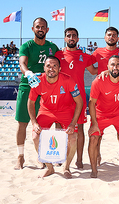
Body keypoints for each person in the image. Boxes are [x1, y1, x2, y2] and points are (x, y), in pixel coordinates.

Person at [15, 17, 59, 170]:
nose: (40, 29)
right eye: (37, 27)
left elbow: (60, 65)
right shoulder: (27, 46)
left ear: (47, 30)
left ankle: (43, 156)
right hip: (28, 86)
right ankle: (20, 156)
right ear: (33, 29)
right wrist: (28, 73)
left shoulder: (53, 47)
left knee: (43, 125)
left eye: (43, 27)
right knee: (22, 123)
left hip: (47, 89)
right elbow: (22, 62)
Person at [28, 56, 83, 178]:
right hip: (46, 111)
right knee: (35, 136)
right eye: (48, 66)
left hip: (65, 111)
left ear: (59, 68)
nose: (51, 69)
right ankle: (50, 168)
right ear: (44, 68)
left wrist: (73, 123)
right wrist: (34, 123)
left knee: (73, 137)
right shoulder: (38, 81)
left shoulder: (68, 80)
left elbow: (79, 102)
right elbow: (30, 103)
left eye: (54, 66)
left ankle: (66, 167)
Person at [88, 55, 119, 178]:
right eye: (112, 65)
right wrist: (94, 123)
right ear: (107, 67)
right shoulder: (99, 81)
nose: (115, 67)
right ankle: (94, 169)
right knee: (93, 138)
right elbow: (91, 103)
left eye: (118, 65)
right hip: (101, 114)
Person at [55, 27, 97, 169]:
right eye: (68, 36)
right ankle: (59, 156)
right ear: (65, 39)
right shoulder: (58, 54)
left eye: (74, 36)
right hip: (61, 96)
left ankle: (79, 159)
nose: (71, 38)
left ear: (78, 39)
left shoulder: (84, 56)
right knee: (59, 128)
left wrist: (110, 68)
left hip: (78, 98)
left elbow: (94, 71)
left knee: (79, 130)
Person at [91, 26, 119, 166]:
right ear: (105, 37)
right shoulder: (98, 52)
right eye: (109, 35)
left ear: (118, 38)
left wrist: (118, 72)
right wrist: (100, 72)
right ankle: (98, 154)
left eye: (114, 35)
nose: (111, 37)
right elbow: (89, 67)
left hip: (117, 90)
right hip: (102, 92)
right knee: (98, 131)